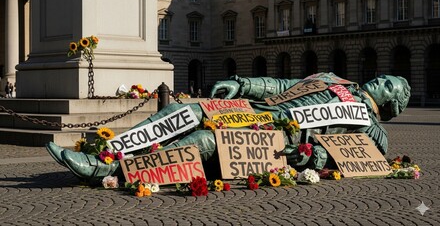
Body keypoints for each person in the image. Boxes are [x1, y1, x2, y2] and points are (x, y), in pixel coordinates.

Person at [46, 72, 411, 181]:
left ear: (393, 104)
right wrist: (244, 84)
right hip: (256, 109)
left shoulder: (375, 131)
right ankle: (106, 156)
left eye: (389, 84)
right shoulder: (336, 79)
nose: (380, 80)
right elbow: (285, 86)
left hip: (279, 137)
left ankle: (118, 175)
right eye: (383, 77)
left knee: (204, 141)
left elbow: (346, 158)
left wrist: (308, 157)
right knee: (186, 111)